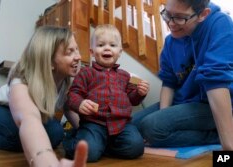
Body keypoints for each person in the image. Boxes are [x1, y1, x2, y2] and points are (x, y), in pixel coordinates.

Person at [132, 0, 233, 150]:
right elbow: (169, 82)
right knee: (130, 125)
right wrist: (164, 116)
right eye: (167, 14)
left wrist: (228, 148)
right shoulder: (170, 41)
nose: (170, 24)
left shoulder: (220, 23)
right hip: (182, 102)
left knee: (151, 127)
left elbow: (215, 81)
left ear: (202, 15)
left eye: (179, 17)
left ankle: (216, 135)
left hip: (211, 104)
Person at [0, 26, 88, 167]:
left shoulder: (66, 80)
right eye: (70, 52)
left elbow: (69, 108)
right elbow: (29, 119)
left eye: (77, 49)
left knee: (57, 133)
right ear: (50, 61)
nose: (79, 57)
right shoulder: (21, 80)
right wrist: (46, 160)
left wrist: (88, 132)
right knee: (18, 134)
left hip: (32, 115)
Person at [63, 24, 150, 162]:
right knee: (88, 154)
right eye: (101, 45)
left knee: (136, 147)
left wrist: (139, 93)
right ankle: (70, 140)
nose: (107, 48)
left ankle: (101, 146)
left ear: (120, 52)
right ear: (92, 51)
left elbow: (132, 100)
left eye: (113, 45)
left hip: (121, 124)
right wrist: (80, 103)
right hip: (93, 123)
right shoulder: (86, 73)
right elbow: (73, 95)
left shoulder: (125, 76)